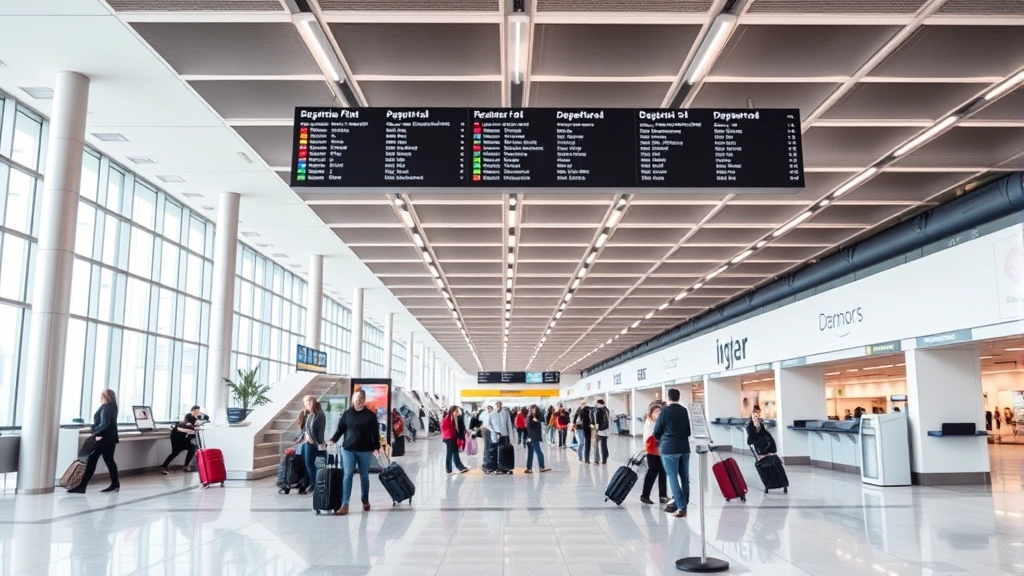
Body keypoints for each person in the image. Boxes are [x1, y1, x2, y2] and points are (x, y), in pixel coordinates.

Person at [326, 389, 380, 516]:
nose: (358, 400)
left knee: (364, 476)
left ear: (364, 399)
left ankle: (365, 499)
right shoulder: (347, 414)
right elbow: (340, 430)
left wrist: (377, 447)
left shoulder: (370, 415)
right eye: (356, 398)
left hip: (365, 450)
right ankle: (345, 504)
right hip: (348, 449)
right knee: (348, 475)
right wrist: (333, 440)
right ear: (352, 400)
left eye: (361, 397)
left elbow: (375, 433)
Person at [69, 389, 120, 493]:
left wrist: (95, 432)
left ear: (105, 397)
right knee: (109, 460)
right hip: (111, 438)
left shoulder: (106, 408)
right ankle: (115, 484)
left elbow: (104, 423)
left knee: (92, 460)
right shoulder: (113, 408)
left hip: (103, 438)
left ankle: (82, 486)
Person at [653, 389, 691, 518]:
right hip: (684, 448)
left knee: (672, 477)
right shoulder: (684, 410)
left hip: (669, 449)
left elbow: (657, 430)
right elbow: (688, 431)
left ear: (668, 398)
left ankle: (681, 507)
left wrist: (661, 440)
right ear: (678, 397)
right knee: (685, 477)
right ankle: (684, 502)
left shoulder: (665, 411)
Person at [640, 402, 667, 505]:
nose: (658, 414)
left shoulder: (660, 422)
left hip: (660, 451)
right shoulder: (649, 423)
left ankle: (663, 496)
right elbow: (648, 438)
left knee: (663, 473)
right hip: (652, 452)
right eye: (655, 412)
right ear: (651, 413)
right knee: (652, 473)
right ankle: (645, 495)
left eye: (660, 412)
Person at [161, 405, 201, 474]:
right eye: (195, 411)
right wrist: (194, 425)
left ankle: (186, 466)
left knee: (193, 447)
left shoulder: (197, 419)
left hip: (184, 437)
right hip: (176, 436)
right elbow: (187, 424)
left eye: (198, 411)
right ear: (192, 411)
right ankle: (164, 466)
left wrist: (197, 423)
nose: (197, 412)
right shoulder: (188, 416)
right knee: (176, 452)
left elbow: (194, 429)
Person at [300, 395, 327, 495]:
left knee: (310, 464)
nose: (305, 405)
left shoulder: (318, 414)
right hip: (309, 442)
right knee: (308, 464)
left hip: (313, 443)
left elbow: (313, 430)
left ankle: (316, 485)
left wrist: (310, 438)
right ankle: (312, 484)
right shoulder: (311, 414)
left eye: (306, 403)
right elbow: (306, 429)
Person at [441, 406, 470, 475]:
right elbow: (443, 426)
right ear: (452, 411)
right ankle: (449, 469)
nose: (457, 412)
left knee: (455, 452)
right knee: (450, 453)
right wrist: (450, 432)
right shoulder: (448, 418)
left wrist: (464, 431)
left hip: (453, 437)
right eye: (456, 411)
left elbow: (460, 426)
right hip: (449, 438)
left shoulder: (455, 418)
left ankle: (460, 467)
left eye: (457, 411)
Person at [525, 405, 551, 473]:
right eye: (533, 410)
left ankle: (529, 468)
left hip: (531, 438)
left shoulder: (529, 418)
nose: (535, 411)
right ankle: (541, 466)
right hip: (534, 438)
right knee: (539, 452)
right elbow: (532, 427)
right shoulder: (532, 419)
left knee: (531, 453)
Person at [593, 399, 611, 465]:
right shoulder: (606, 409)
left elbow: (597, 421)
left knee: (596, 445)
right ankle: (604, 459)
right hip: (606, 430)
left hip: (600, 430)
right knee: (604, 444)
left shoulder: (599, 410)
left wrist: (596, 429)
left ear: (598, 403)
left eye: (596, 403)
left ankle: (597, 460)